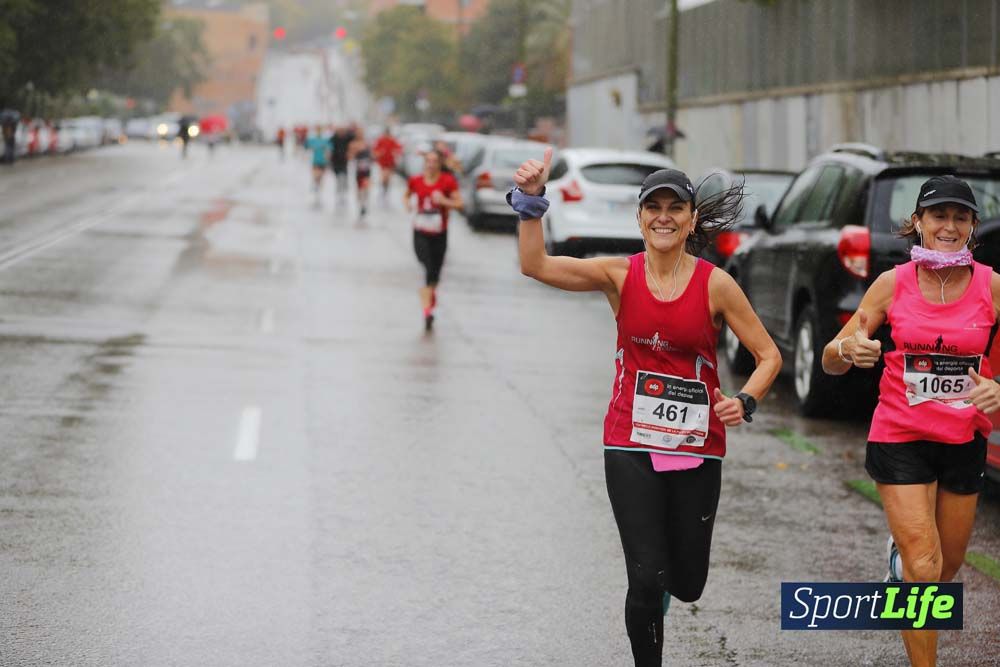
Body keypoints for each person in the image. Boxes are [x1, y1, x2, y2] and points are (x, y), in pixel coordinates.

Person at [510, 149, 781, 667]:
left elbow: (769, 356)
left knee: (688, 583)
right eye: (652, 207)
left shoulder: (716, 285)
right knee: (645, 577)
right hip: (628, 442)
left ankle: (664, 591)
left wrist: (745, 400)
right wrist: (531, 201)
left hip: (697, 448)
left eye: (674, 207)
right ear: (638, 217)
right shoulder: (619, 276)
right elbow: (535, 265)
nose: (663, 216)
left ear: (691, 218)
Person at [821, 175, 1000, 667]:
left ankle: (900, 563)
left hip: (963, 438)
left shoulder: (991, 286)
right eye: (938, 216)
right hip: (899, 435)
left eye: (959, 217)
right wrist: (846, 349)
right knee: (925, 568)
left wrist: (997, 389)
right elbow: (829, 359)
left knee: (946, 569)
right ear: (917, 223)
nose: (948, 226)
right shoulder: (891, 284)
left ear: (972, 227)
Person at [405, 150, 463, 332]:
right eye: (428, 161)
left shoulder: (447, 181)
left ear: (439, 163)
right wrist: (407, 203)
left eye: (434, 161)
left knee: (434, 274)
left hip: (440, 233)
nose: (430, 164)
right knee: (427, 267)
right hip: (420, 231)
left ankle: (429, 301)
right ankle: (427, 311)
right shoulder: (416, 180)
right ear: (424, 163)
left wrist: (444, 201)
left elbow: (459, 203)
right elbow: (407, 194)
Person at [373, 128, 402, 198]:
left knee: (388, 178)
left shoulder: (392, 141)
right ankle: (383, 190)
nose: (387, 136)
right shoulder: (380, 140)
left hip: (390, 163)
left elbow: (399, 149)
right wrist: (379, 153)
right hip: (382, 163)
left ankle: (385, 191)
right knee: (384, 177)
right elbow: (375, 151)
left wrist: (395, 152)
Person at [329, 124, 356, 202]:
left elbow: (353, 136)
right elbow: (329, 147)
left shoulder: (347, 137)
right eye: (339, 130)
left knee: (344, 177)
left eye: (342, 130)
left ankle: (343, 192)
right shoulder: (333, 138)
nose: (341, 132)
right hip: (335, 161)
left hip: (344, 161)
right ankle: (339, 192)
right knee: (338, 178)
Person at [350, 128, 373, 218]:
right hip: (359, 169)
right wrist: (356, 152)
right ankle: (360, 204)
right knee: (359, 189)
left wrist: (373, 156)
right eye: (359, 133)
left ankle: (364, 205)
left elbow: (372, 155)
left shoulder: (367, 143)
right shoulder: (353, 144)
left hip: (367, 169)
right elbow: (350, 156)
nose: (360, 135)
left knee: (366, 187)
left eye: (362, 133)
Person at [305, 125, 329, 195]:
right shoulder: (313, 140)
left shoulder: (325, 140)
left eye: (320, 130)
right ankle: (316, 186)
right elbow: (307, 146)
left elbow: (328, 150)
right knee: (316, 175)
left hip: (323, 161)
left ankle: (319, 190)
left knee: (321, 176)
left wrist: (328, 159)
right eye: (318, 130)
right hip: (315, 160)